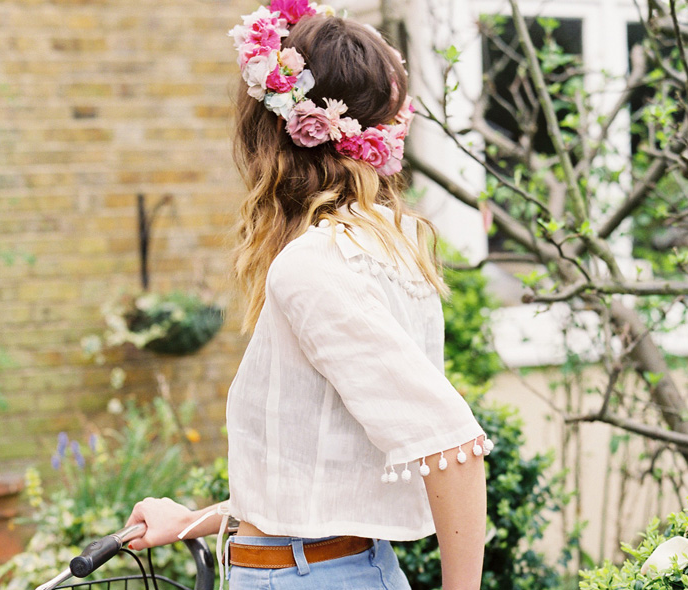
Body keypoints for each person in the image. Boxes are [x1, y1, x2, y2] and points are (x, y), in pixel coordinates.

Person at [125, 2, 490, 589]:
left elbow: (453, 442)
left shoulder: (313, 265)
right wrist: (191, 521)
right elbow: (321, 482)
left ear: (270, 131)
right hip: (330, 569)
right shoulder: (390, 244)